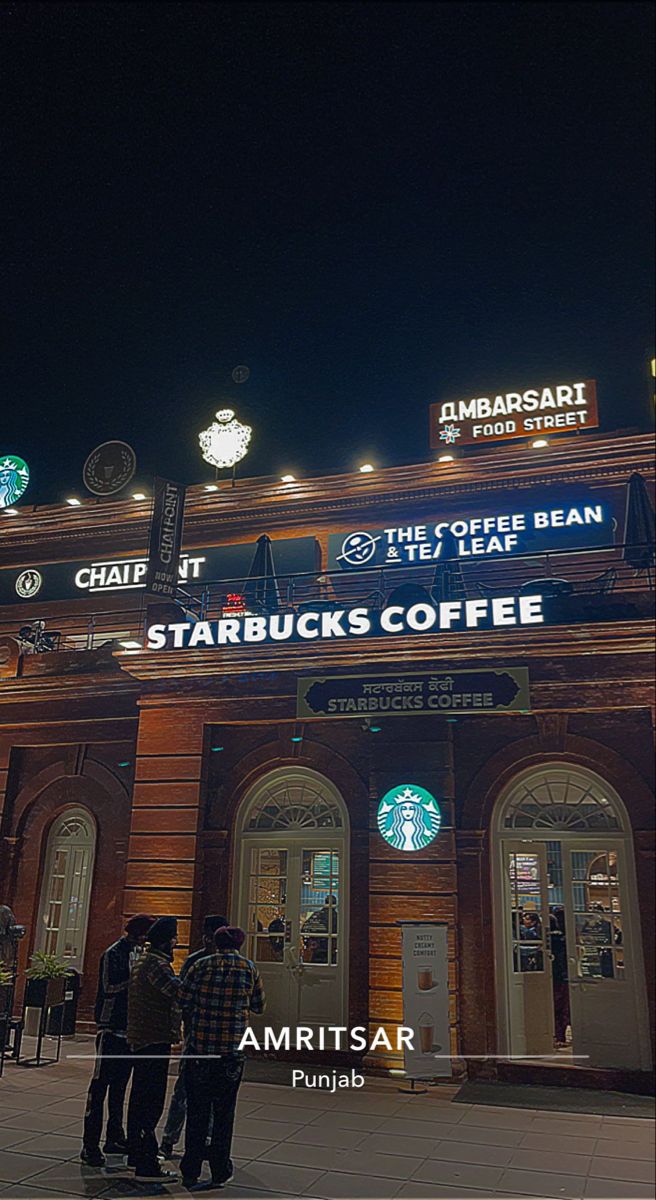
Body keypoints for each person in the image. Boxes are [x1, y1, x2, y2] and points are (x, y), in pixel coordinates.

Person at [179, 925, 265, 1189]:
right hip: (231, 1053)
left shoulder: (200, 965)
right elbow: (259, 1006)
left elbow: (183, 998)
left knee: (197, 1111)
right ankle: (219, 1168)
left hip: (201, 1049)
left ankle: (190, 1168)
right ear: (239, 944)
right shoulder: (249, 968)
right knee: (224, 1112)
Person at [81, 913, 153, 1166]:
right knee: (100, 1086)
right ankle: (90, 1144)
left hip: (129, 1027)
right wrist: (135, 979)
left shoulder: (142, 952)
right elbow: (108, 987)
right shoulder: (114, 953)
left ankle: (114, 1134)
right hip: (110, 1027)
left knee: (120, 1086)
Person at [160, 913, 228, 1158]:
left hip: (201, 1035)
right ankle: (172, 1138)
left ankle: (193, 1139)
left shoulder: (197, 962)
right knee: (188, 1089)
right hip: (209, 1037)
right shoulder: (231, 963)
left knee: (196, 1090)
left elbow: (183, 997)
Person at [126, 916, 181, 1182]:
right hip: (153, 1037)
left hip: (141, 1037)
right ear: (165, 941)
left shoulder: (142, 961)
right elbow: (177, 993)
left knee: (139, 1098)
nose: (176, 943)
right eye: (173, 939)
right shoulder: (157, 965)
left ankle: (137, 1152)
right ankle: (147, 1163)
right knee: (150, 1100)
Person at [549, 908, 570, 1046]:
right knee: (563, 1007)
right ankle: (560, 1035)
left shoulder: (551, 940)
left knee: (556, 1006)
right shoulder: (567, 938)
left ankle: (558, 1035)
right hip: (564, 974)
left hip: (555, 975)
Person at [301, 894, 337, 964]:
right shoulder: (337, 917)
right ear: (335, 904)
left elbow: (304, 930)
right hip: (330, 952)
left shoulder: (316, 914)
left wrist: (309, 944)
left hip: (315, 952)